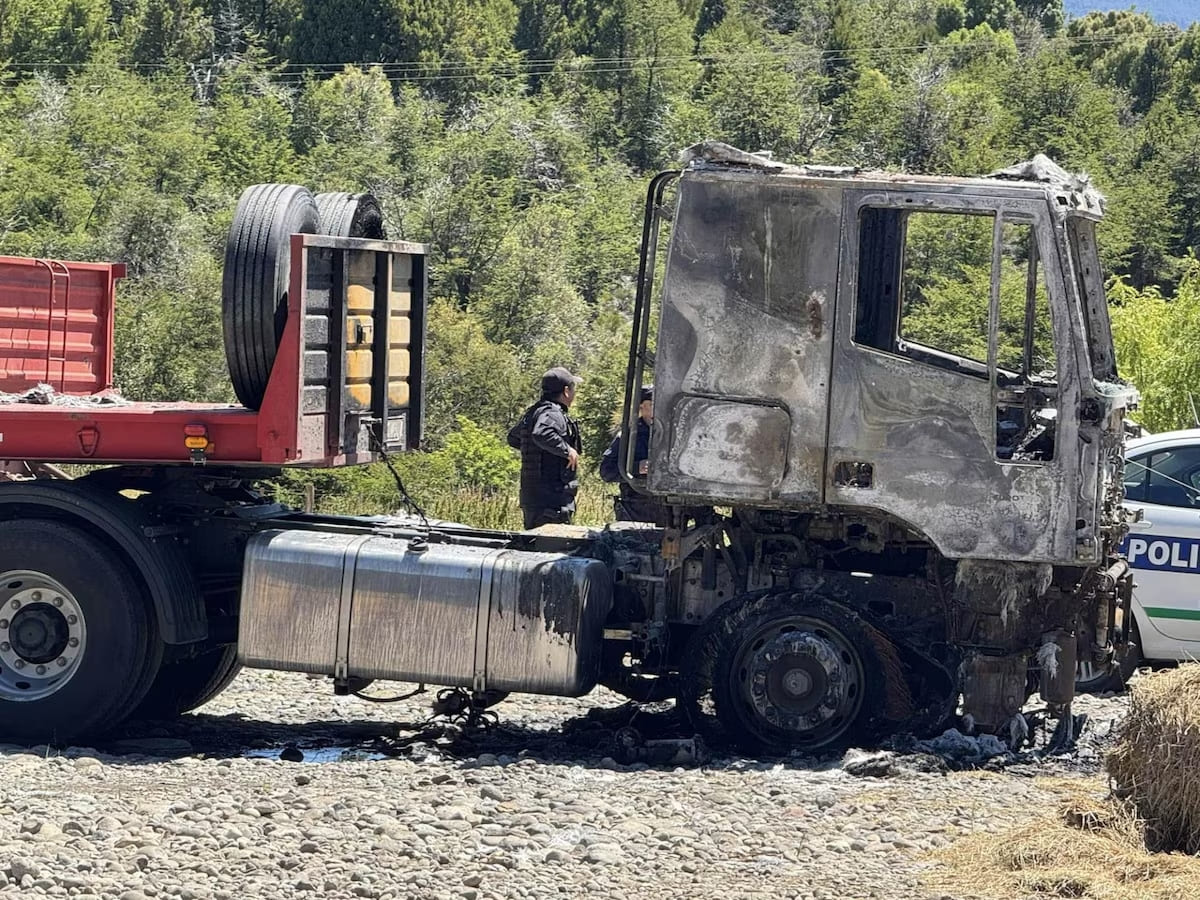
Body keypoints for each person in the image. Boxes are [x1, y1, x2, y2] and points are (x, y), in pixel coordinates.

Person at [507, 366, 583, 529]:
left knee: (533, 541)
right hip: (551, 501)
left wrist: (540, 452)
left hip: (533, 498)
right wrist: (567, 450)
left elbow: (514, 438)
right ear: (566, 391)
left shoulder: (533, 413)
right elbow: (542, 433)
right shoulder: (552, 413)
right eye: (573, 388)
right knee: (551, 543)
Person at [599, 385, 662, 523]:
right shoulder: (628, 435)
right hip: (636, 509)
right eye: (653, 403)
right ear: (641, 406)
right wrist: (636, 468)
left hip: (669, 510)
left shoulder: (673, 434)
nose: (658, 408)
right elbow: (606, 471)